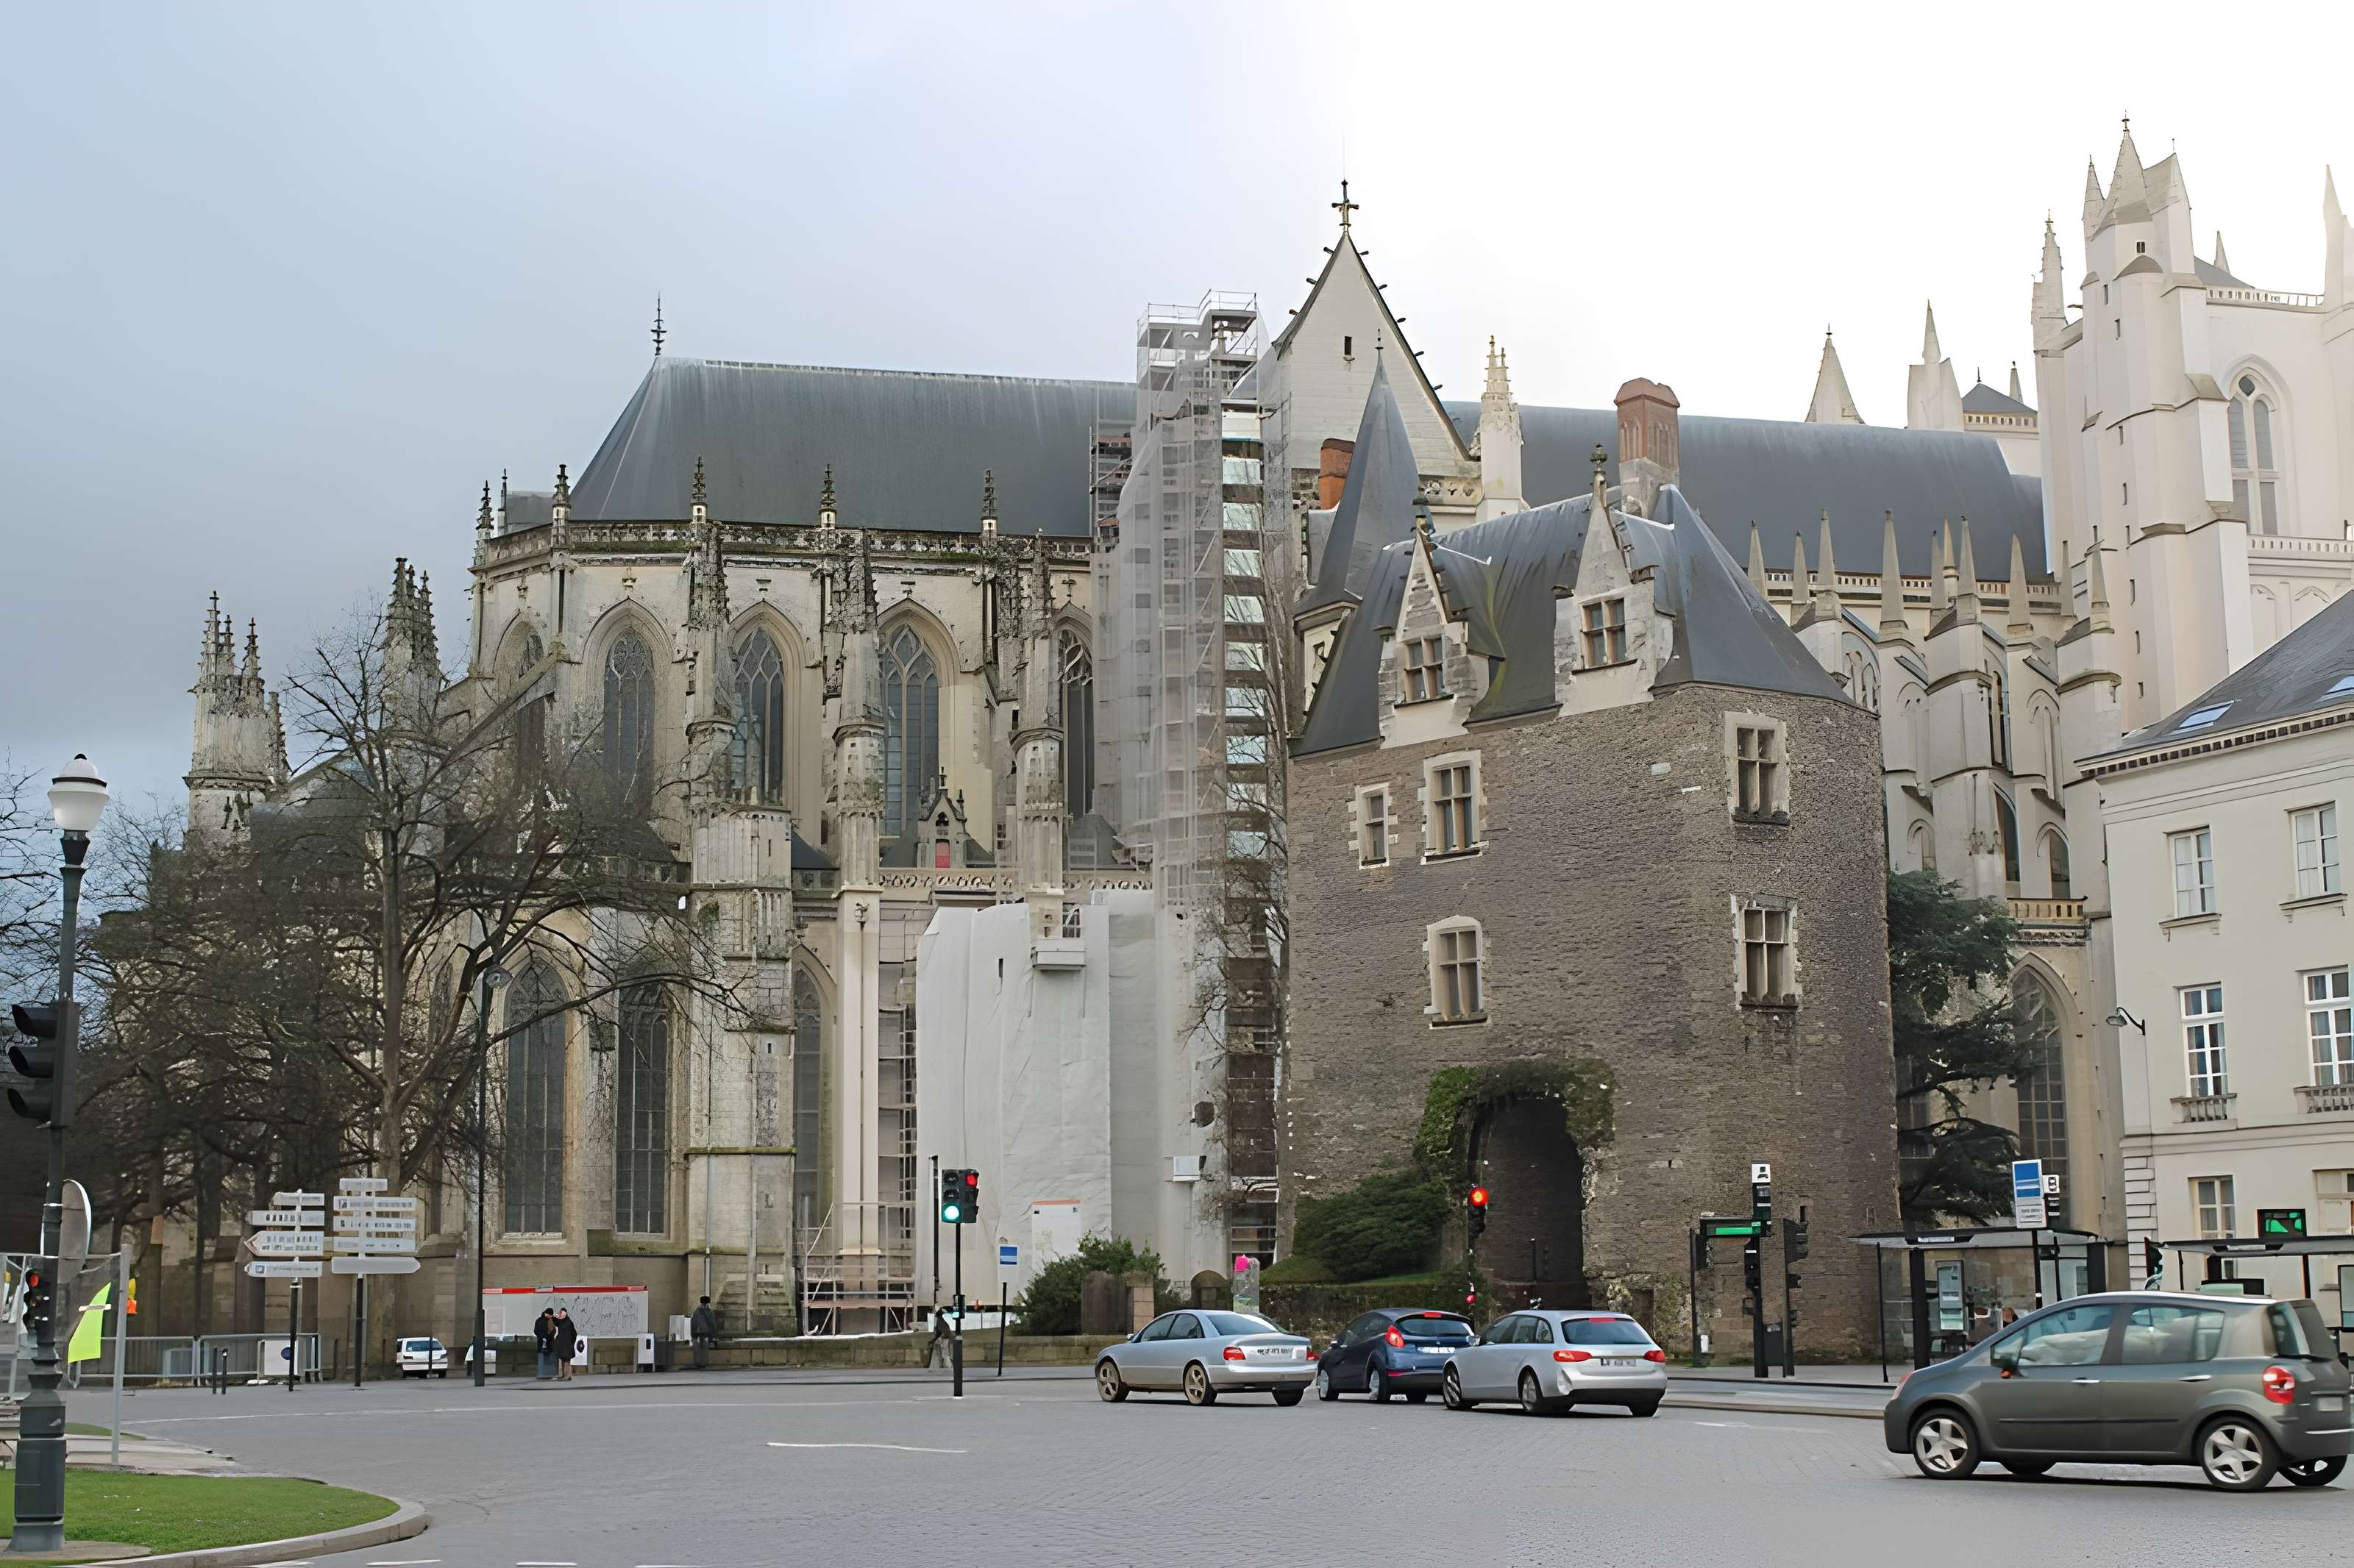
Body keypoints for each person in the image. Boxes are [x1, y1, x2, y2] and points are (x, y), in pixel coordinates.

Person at [690, 1296, 718, 1371]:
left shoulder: (696, 1311)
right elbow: (713, 1324)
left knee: (698, 1349)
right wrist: (714, 1335)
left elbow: (693, 1323)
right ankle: (703, 1364)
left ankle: (699, 1364)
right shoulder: (709, 1311)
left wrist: (692, 1334)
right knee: (705, 1349)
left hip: (698, 1333)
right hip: (706, 1333)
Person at [553, 1308, 580, 1381]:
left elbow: (574, 1334)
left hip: (567, 1344)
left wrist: (572, 1343)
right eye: (561, 1313)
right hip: (562, 1344)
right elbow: (555, 1321)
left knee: (567, 1360)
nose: (562, 1315)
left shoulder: (568, 1322)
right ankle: (562, 1375)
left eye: (563, 1313)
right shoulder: (561, 1322)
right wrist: (556, 1316)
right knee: (562, 1359)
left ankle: (567, 1376)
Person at [533, 1308, 558, 1380]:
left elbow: (535, 1331)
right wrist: (548, 1335)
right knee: (547, 1357)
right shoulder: (549, 1321)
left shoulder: (538, 1320)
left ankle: (543, 1373)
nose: (551, 1316)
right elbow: (553, 1331)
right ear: (547, 1314)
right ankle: (547, 1373)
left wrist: (540, 1336)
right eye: (550, 1315)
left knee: (542, 1356)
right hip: (549, 1342)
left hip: (542, 1341)